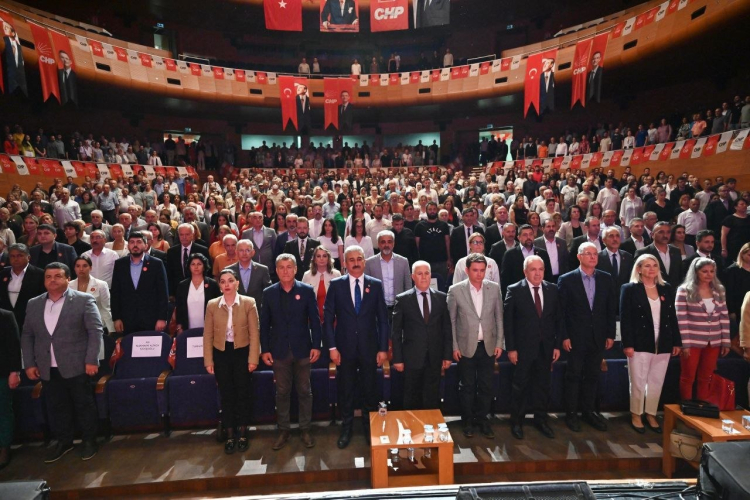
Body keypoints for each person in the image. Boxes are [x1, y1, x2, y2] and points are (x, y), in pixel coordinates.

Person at [21, 263, 103, 463]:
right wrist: (29, 363)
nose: (52, 280)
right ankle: (64, 441)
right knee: (57, 407)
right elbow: (27, 335)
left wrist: (91, 359)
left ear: (68, 279)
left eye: (57, 276)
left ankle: (89, 441)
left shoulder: (83, 300)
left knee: (83, 405)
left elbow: (95, 331)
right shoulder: (34, 303)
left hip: (77, 364)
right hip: (47, 366)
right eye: (48, 276)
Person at [324, 246, 389, 449]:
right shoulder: (336, 285)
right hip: (344, 349)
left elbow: (383, 320)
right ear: (344, 263)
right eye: (351, 259)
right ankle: (347, 428)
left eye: (359, 258)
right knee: (346, 390)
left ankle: (370, 428)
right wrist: (332, 347)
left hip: (370, 348)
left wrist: (383, 348)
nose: (355, 263)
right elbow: (328, 320)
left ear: (364, 261)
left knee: (370, 389)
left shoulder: (375, 285)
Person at [260, 254, 322, 450]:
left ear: (295, 269)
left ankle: (305, 429)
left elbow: (315, 321)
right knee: (282, 392)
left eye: (289, 267)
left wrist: (317, 345)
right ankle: (283, 430)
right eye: (281, 267)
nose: (285, 271)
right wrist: (265, 349)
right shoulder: (269, 293)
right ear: (276, 270)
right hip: (278, 351)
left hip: (303, 350)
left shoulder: (306, 291)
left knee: (304, 391)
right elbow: (264, 325)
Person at [558, 242, 617, 432]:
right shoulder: (567, 279)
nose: (592, 257)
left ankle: (588, 411)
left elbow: (610, 309)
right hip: (575, 337)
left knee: (592, 375)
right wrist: (564, 336)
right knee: (573, 375)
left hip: (598, 336)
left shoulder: (606, 278)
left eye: (595, 254)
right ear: (579, 256)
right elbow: (561, 312)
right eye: (588, 253)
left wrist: (610, 334)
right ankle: (571, 414)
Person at [620, 254, 681, 434]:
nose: (651, 268)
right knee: (638, 381)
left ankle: (651, 414)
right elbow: (625, 319)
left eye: (654, 265)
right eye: (647, 265)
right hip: (639, 342)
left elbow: (672, 317)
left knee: (656, 381)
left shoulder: (666, 288)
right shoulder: (629, 289)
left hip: (663, 342)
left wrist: (676, 341)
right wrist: (627, 344)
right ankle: (636, 414)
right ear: (639, 269)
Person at [504, 255, 562, 440]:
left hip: (546, 348)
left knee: (543, 386)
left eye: (540, 269)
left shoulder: (552, 289)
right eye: (533, 269)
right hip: (522, 349)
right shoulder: (514, 290)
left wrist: (557, 345)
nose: (537, 273)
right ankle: (517, 422)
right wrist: (511, 348)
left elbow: (557, 319)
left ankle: (541, 420)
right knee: (520, 386)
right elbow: (508, 323)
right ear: (525, 272)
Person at [203, 268, 260, 454]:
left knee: (243, 393)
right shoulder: (212, 305)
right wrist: (208, 361)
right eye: (223, 281)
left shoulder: (249, 302)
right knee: (226, 394)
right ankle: (229, 434)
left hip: (242, 353)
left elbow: (254, 333)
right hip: (221, 353)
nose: (226, 284)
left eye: (230, 280)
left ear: (237, 283)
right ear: (220, 286)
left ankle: (242, 432)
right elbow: (207, 335)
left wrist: (253, 359)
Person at [448, 253, 504, 439]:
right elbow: (451, 321)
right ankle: (467, 421)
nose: (479, 274)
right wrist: (454, 346)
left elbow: (499, 317)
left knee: (486, 386)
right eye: (475, 270)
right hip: (465, 346)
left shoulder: (494, 288)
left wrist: (499, 342)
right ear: (467, 270)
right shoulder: (456, 290)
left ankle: (482, 420)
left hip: (488, 345)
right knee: (467, 386)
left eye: (482, 270)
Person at [391, 261, 452, 410]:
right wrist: (397, 359)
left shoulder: (442, 298)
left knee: (432, 398)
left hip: (434, 357)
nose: (424, 277)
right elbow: (396, 332)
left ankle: (431, 425)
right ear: (412, 276)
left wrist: (447, 355)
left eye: (427, 273)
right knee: (411, 397)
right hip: (411, 358)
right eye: (419, 274)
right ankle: (411, 424)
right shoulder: (403, 299)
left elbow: (446, 329)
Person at [676, 258, 730, 401]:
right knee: (688, 377)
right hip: (692, 341)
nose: (709, 274)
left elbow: (724, 316)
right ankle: (687, 407)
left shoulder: (719, 290)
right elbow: (681, 319)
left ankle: (703, 407)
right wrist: (685, 344)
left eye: (712, 271)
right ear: (696, 272)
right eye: (704, 271)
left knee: (706, 377)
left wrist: (726, 341)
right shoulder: (684, 290)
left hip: (714, 341)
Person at [110, 231, 169, 337]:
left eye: (139, 242)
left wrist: (162, 318)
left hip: (151, 318)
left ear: (145, 245)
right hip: (127, 318)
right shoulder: (120, 264)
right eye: (132, 242)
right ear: (128, 246)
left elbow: (163, 293)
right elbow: (115, 293)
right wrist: (116, 318)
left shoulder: (156, 264)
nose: (135, 245)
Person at [364, 230, 412, 317]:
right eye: (383, 242)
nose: (386, 245)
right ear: (378, 244)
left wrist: (407, 306)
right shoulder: (369, 263)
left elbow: (408, 285)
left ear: (393, 244)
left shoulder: (403, 261)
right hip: (377, 308)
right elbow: (366, 287)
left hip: (399, 307)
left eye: (389, 242)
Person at [0, 244, 45, 330]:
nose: (16, 259)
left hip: (30, 319)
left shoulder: (40, 274)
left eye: (20, 256)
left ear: (28, 257)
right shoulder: (3, 274)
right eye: (12, 256)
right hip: (6, 321)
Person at [501, 224, 553, 297]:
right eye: (525, 235)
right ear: (519, 237)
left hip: (539, 295)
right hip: (518, 296)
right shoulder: (510, 254)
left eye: (531, 234)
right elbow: (505, 280)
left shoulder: (542, 253)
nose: (528, 237)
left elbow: (548, 277)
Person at [174, 254, 220, 334]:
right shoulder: (183, 285)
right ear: (189, 267)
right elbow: (179, 308)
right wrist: (179, 327)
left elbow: (218, 307)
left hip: (209, 330)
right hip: (187, 329)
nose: (196, 267)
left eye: (199, 264)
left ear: (204, 266)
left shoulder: (212, 284)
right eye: (193, 264)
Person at [70, 256, 114, 335]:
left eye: (85, 266)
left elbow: (106, 308)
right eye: (78, 266)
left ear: (90, 268)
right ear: (74, 268)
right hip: (75, 326)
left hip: (97, 325)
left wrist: (111, 330)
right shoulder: (69, 286)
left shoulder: (101, 285)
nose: (81, 269)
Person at [0, 307, 20, 469]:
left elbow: (14, 346)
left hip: (2, 373)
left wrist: (15, 372)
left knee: (3, 411)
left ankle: (4, 448)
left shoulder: (5, 316)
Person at [166, 223, 211, 296]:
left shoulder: (202, 250)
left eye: (187, 234)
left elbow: (208, 271)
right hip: (178, 291)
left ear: (192, 235)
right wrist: (171, 294)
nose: (184, 237)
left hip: (199, 289)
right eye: (181, 234)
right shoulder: (172, 252)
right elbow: (169, 274)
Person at [635, 221, 682, 287]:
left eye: (668, 232)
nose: (665, 235)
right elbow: (637, 276)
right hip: (652, 290)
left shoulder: (676, 251)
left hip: (674, 290)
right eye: (661, 232)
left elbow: (680, 274)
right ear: (652, 235)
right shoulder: (643, 252)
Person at [226, 240, 272, 308]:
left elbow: (268, 292)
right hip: (235, 310)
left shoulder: (262, 270)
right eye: (241, 250)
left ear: (253, 252)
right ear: (236, 252)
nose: (244, 253)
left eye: (247, 250)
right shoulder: (228, 271)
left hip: (257, 310)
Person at [302, 247, 342, 322]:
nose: (321, 259)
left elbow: (340, 298)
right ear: (314, 259)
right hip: (312, 318)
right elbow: (303, 299)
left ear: (328, 258)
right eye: (318, 256)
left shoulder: (336, 274)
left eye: (324, 256)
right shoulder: (307, 275)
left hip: (333, 318)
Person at [414, 202, 452, 280]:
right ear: (426, 211)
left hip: (441, 261)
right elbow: (417, 244)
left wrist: (449, 258)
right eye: (430, 209)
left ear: (437, 210)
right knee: (426, 283)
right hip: (425, 261)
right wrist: (418, 259)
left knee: (442, 283)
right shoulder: (420, 226)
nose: (432, 211)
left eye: (434, 209)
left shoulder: (443, 225)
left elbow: (447, 242)